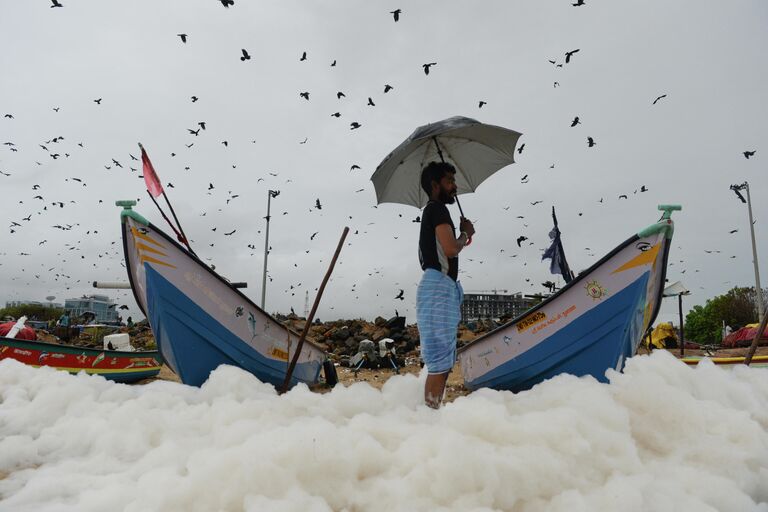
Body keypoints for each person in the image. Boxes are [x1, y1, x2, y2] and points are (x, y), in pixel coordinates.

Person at [416, 161, 475, 409]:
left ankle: (430, 415)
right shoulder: (437, 210)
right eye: (449, 181)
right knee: (440, 363)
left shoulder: (434, 211)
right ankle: (429, 418)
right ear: (435, 184)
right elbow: (450, 249)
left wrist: (463, 234)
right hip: (438, 288)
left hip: (439, 288)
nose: (454, 186)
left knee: (442, 361)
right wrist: (465, 234)